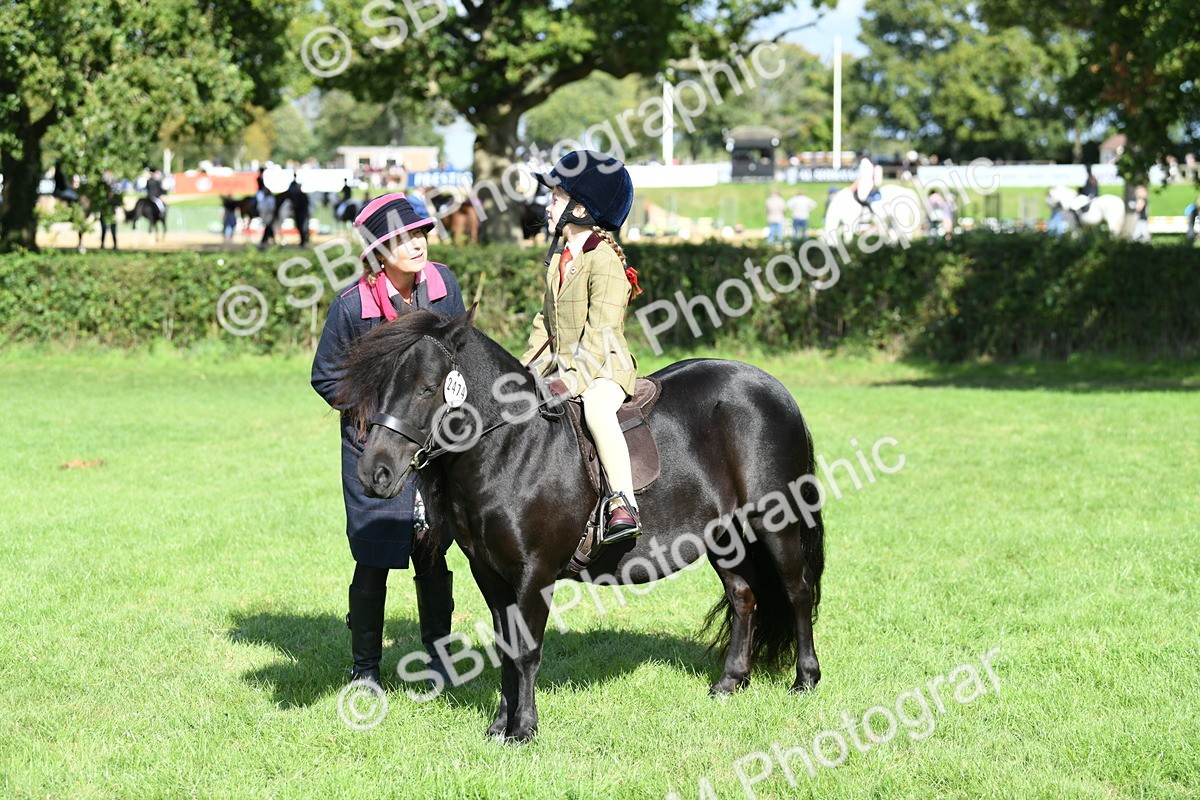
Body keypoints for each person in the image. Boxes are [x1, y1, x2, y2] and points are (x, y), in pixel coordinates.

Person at [311, 192, 466, 689]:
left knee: (433, 552)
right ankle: (365, 671)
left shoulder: (445, 287)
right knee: (373, 557)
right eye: (403, 238)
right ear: (378, 250)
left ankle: (439, 659)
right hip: (375, 446)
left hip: (436, 447)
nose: (417, 244)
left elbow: (460, 356)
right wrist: (387, 416)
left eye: (421, 233)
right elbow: (326, 376)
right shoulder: (352, 306)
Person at [522, 150, 642, 543]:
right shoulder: (559, 254)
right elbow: (546, 324)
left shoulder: (603, 260)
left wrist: (571, 382)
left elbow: (602, 334)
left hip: (604, 368)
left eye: (556, 197)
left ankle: (623, 502)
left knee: (596, 410)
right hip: (566, 365)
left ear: (580, 208)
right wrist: (525, 369)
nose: (549, 204)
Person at [848, 149, 882, 219]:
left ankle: (871, 212)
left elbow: (860, 177)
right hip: (868, 183)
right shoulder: (870, 162)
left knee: (862, 197)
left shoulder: (864, 162)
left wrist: (852, 187)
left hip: (865, 184)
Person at [285, 173, 310, 246]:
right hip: (300, 213)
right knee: (300, 226)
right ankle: (303, 240)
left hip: (300, 213)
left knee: (301, 226)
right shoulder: (300, 195)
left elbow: (301, 205)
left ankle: (303, 240)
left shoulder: (300, 195)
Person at [98, 170, 121, 250]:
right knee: (104, 229)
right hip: (105, 211)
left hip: (111, 211)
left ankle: (114, 245)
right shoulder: (102, 193)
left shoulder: (113, 193)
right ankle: (103, 244)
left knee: (112, 229)